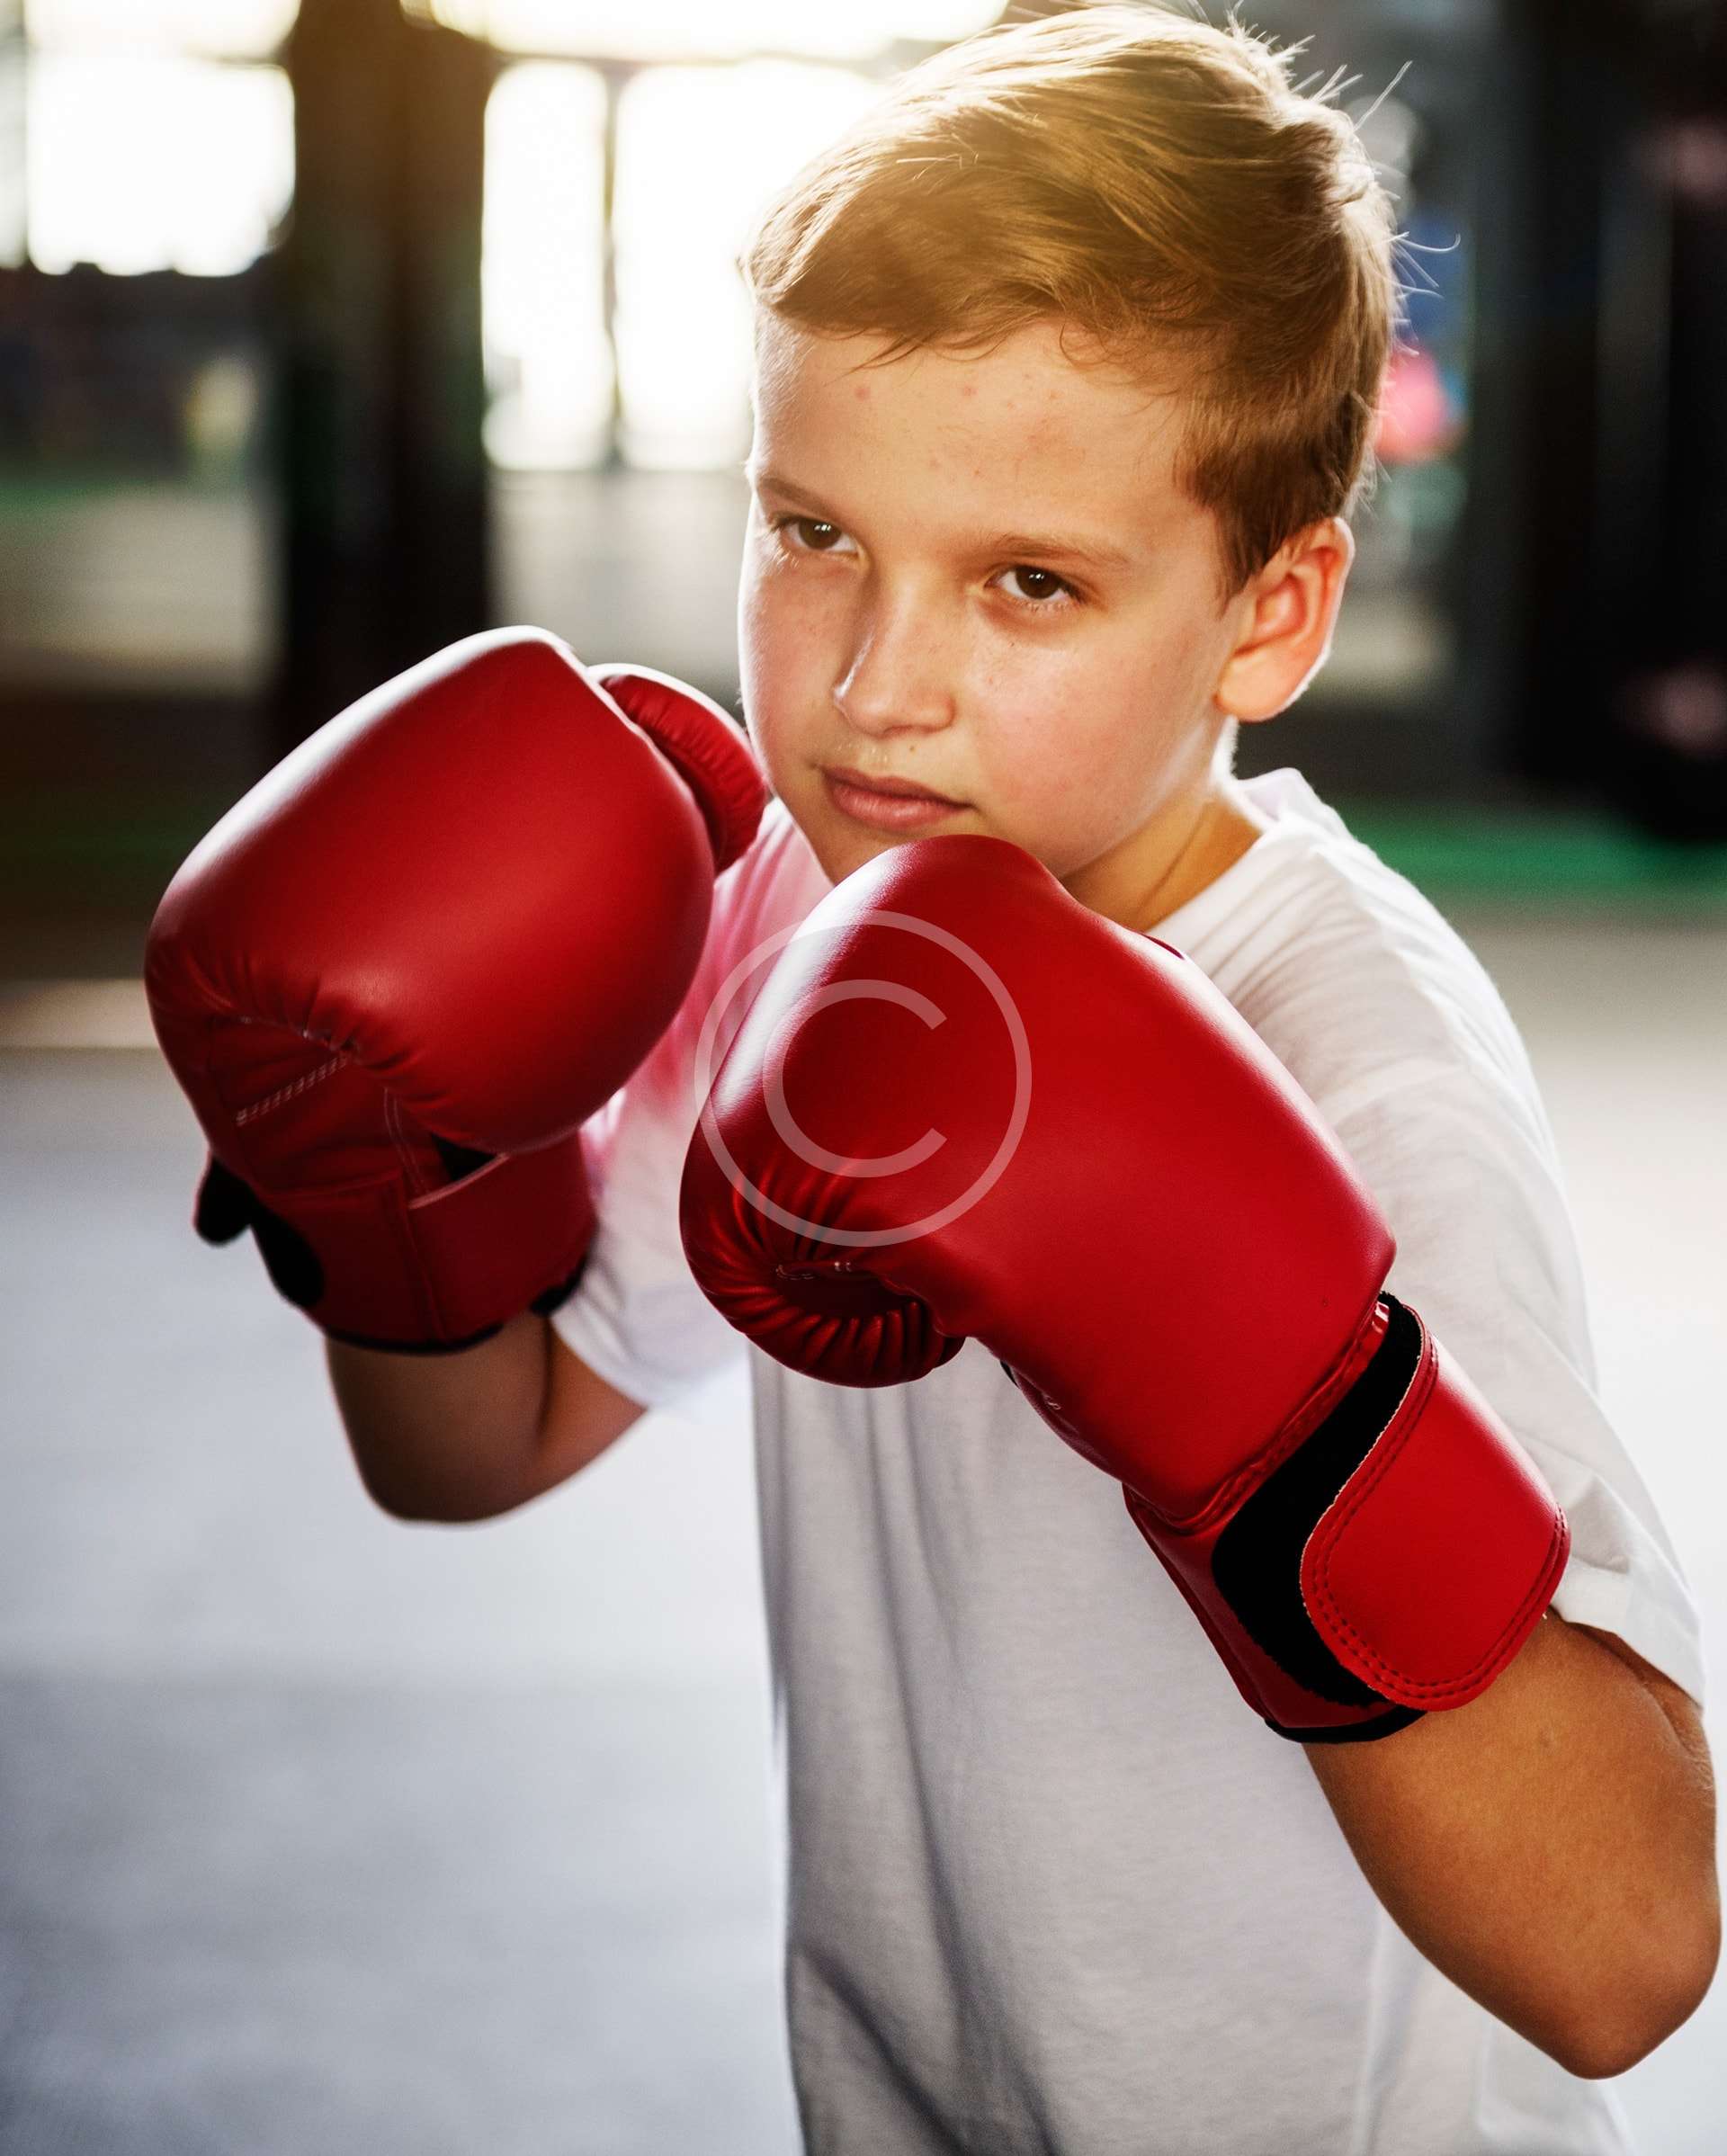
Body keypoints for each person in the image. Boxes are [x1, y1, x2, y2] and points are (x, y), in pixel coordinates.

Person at [148, 6, 1718, 2151]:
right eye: (813, 535)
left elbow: (1622, 1950)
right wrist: (369, 1180)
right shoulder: (798, 913)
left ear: (1272, 616)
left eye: (1031, 583)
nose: (881, 689)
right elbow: (476, 1445)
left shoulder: (1363, 1064)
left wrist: (1264, 1402)